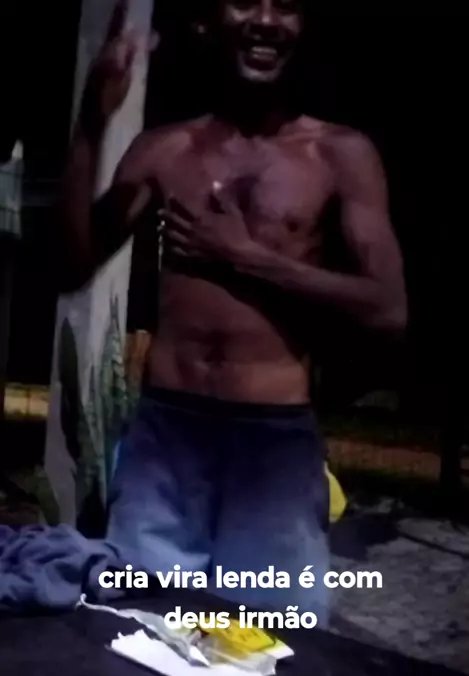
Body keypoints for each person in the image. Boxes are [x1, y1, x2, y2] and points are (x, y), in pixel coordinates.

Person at [61, 0, 406, 626]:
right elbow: (74, 264)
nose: (267, 19)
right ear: (207, 23)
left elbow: (387, 308)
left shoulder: (339, 153)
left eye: (288, 6)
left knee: (274, 640)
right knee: (140, 628)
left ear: (303, 30)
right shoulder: (164, 148)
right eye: (247, 0)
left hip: (271, 441)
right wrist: (90, 124)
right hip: (167, 432)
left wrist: (246, 258)